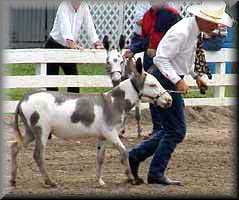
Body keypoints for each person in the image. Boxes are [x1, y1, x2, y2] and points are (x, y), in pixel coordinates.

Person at [128, 1, 233, 185]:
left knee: (171, 129)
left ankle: (135, 157)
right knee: (177, 131)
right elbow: (160, 58)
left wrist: (195, 75)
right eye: (214, 22)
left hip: (167, 78)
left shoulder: (193, 31)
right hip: (164, 79)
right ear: (203, 19)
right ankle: (154, 173)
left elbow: (185, 57)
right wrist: (178, 80)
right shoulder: (182, 32)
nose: (217, 26)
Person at [124, 2, 182, 138]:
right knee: (153, 90)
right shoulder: (148, 16)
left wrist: (158, 49)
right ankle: (158, 128)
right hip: (151, 58)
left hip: (168, 59)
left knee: (170, 91)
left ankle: (173, 125)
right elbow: (146, 40)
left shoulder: (172, 14)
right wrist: (133, 49)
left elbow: (175, 38)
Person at [45, 0, 103, 93]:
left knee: (74, 84)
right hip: (54, 46)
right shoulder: (63, 6)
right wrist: (72, 44)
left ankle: (72, 106)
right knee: (52, 85)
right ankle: (53, 107)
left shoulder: (84, 6)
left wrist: (96, 43)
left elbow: (89, 26)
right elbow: (65, 28)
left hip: (68, 49)